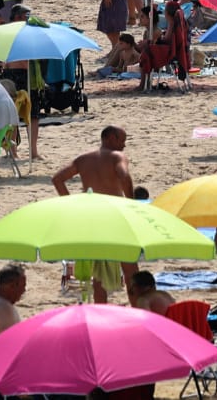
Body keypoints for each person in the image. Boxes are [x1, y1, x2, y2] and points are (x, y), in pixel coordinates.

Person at [52, 126, 132, 302]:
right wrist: (131, 203)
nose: (124, 146)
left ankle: (100, 309)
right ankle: (139, 309)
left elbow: (57, 179)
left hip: (91, 217)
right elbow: (123, 175)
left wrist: (71, 203)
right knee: (130, 267)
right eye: (122, 141)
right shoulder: (117, 157)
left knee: (99, 272)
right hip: (114, 214)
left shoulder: (83, 160)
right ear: (110, 138)